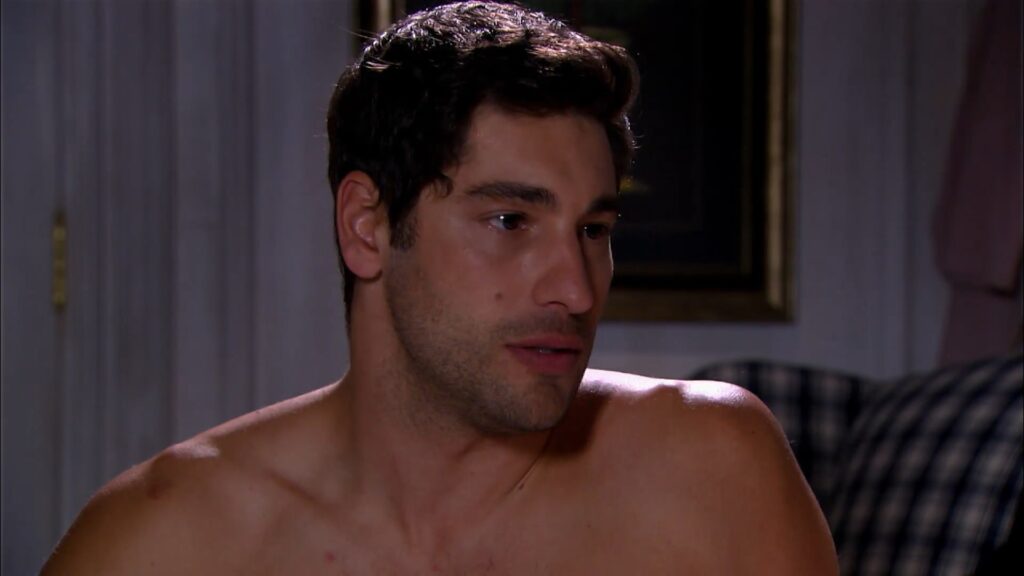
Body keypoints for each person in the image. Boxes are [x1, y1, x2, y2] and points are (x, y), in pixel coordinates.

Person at [42, 2, 838, 573]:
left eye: (593, 230)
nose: (575, 289)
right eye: (509, 221)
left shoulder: (709, 471)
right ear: (367, 226)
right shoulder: (167, 541)